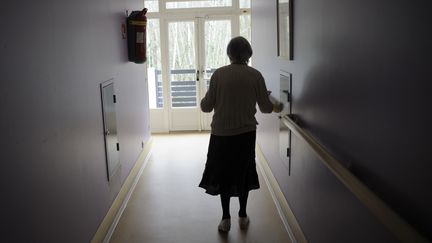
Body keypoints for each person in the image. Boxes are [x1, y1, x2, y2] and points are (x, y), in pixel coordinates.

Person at [198, 36, 283, 232]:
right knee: (244, 173)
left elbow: (205, 107)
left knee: (224, 174)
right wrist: (270, 100)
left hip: (221, 135)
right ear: (248, 54)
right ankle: (243, 215)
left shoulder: (218, 75)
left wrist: (209, 96)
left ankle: (225, 218)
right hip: (245, 134)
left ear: (229, 53)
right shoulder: (255, 75)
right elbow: (265, 108)